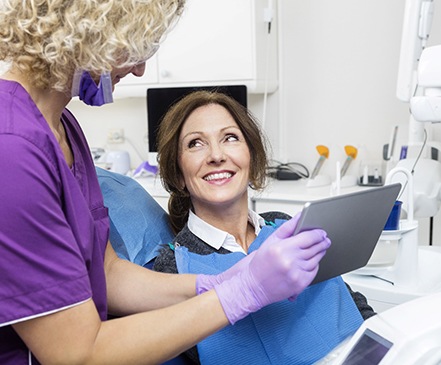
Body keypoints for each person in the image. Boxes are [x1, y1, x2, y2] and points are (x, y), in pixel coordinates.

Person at [0, 1, 333, 364]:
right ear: (91, 32)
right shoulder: (12, 150)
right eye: (135, 47)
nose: (141, 70)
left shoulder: (63, 127)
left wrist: (222, 280)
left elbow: (108, 273)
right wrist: (242, 292)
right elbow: (78, 355)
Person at [153, 90, 375, 364]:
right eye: (196, 143)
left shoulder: (287, 224)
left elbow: (350, 302)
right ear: (178, 173)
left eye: (230, 137)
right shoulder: (170, 268)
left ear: (252, 157)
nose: (216, 155)